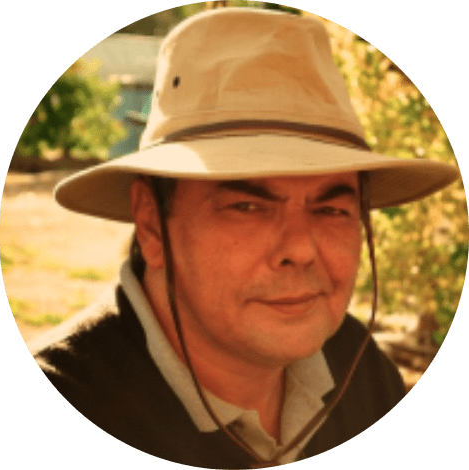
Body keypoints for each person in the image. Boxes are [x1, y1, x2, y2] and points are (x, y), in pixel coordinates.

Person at [31, 7, 459, 468]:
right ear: (152, 224)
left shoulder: (361, 372)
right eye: (247, 207)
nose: (300, 249)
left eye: (331, 209)